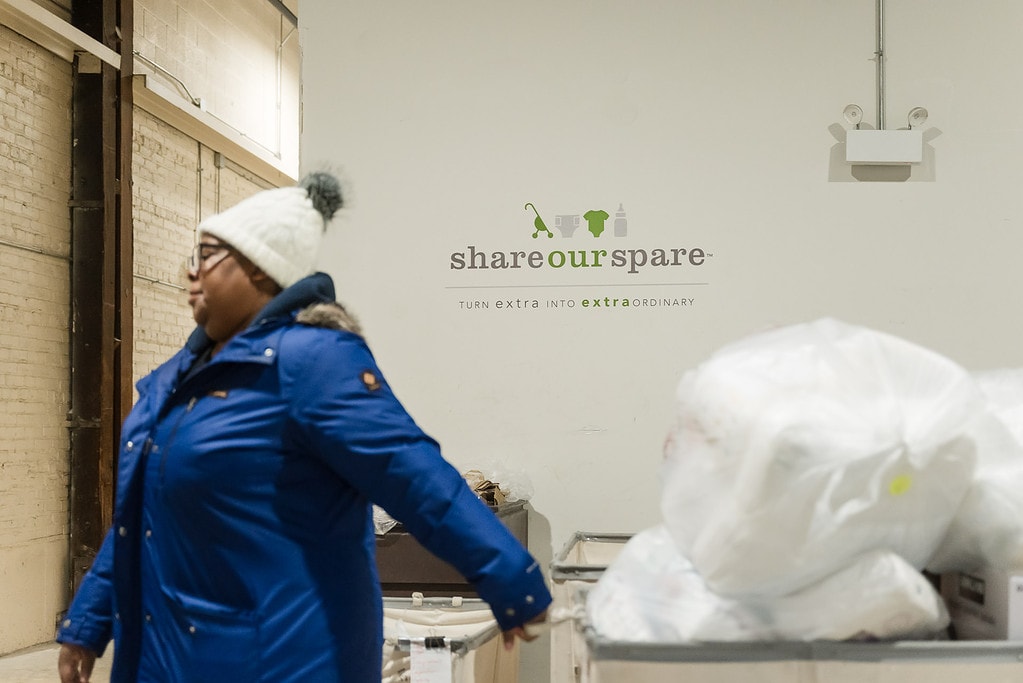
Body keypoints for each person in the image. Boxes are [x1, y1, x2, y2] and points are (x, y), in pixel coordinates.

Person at [56, 172, 551, 683]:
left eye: (206, 256)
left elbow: (414, 477)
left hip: (280, 660)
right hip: (168, 655)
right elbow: (141, 514)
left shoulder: (312, 363)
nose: (191, 273)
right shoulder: (181, 378)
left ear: (260, 270)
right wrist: (88, 622)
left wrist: (510, 577)